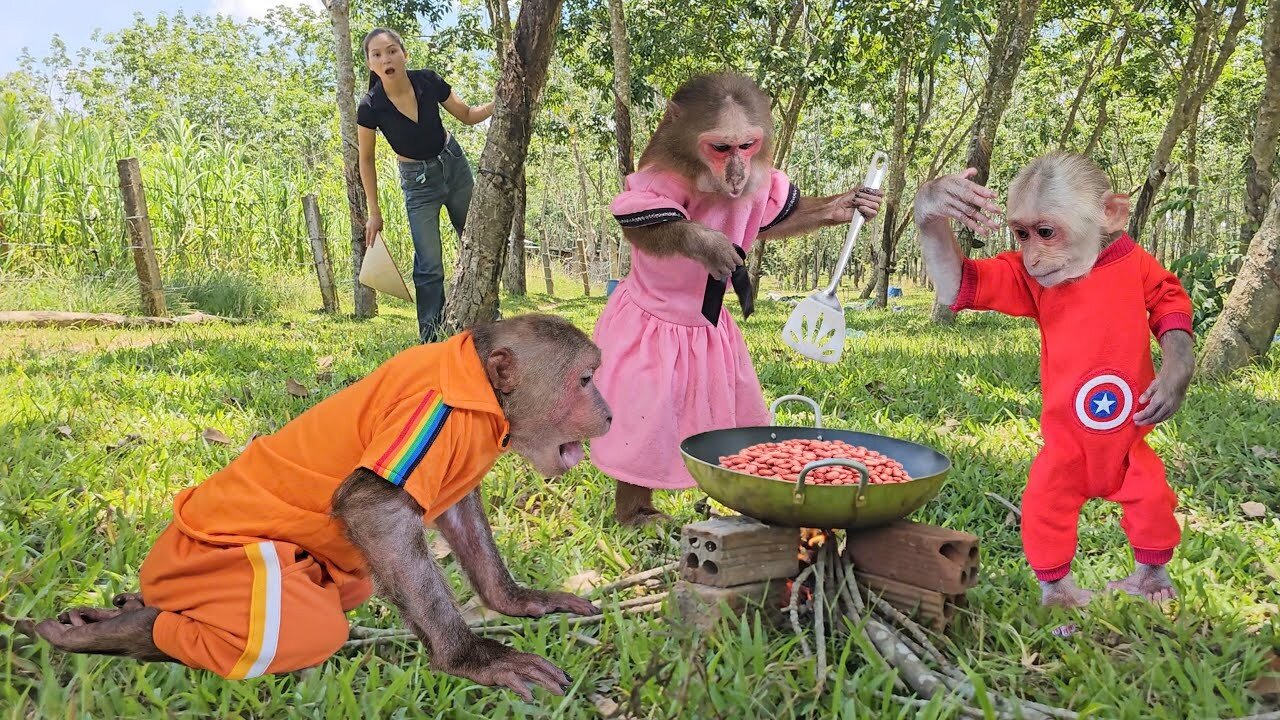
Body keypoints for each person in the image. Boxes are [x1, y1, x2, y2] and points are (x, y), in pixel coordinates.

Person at [357, 27, 494, 343]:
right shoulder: (370, 106)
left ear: (404, 54)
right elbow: (366, 159)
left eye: (392, 50)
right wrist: (374, 212)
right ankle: (431, 341)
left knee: (476, 241)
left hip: (454, 166)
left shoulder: (428, 81)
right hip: (417, 184)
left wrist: (499, 102)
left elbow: (468, 115)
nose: (386, 58)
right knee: (429, 265)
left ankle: (488, 321)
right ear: (370, 64)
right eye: (377, 54)